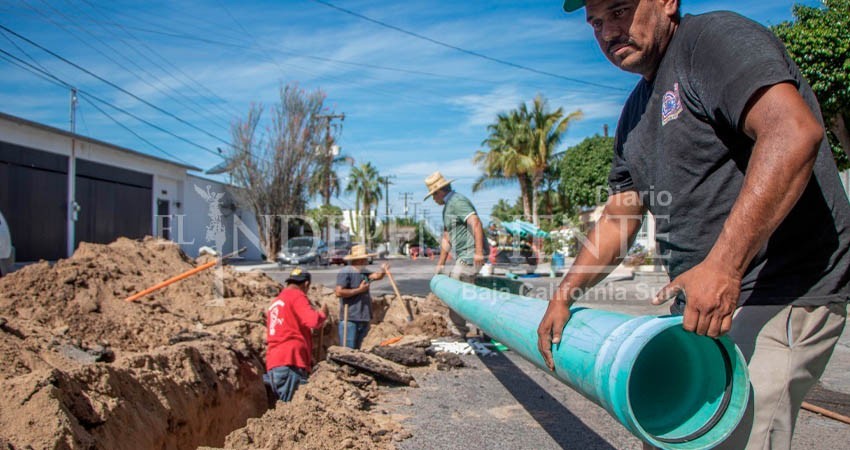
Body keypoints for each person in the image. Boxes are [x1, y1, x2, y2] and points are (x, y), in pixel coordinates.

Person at [538, 1, 849, 448]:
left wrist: (723, 266)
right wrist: (565, 294)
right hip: (704, 305)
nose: (608, 32)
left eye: (620, 10)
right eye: (596, 22)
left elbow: (792, 132)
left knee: (729, 437)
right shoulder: (635, 112)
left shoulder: (710, 42)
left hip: (779, 292)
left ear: (667, 2)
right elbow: (620, 215)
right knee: (676, 435)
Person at [424, 171, 489, 338]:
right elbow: (447, 237)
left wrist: (479, 252)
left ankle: (459, 331)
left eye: (433, 196)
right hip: (464, 255)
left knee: (457, 290)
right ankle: (469, 327)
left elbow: (475, 222)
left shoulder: (457, 201)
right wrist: (441, 264)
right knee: (460, 287)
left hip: (471, 254)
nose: (433, 200)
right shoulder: (447, 208)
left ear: (439, 192)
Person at [265, 267, 328, 402]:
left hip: (274, 362)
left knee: (284, 408)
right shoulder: (297, 296)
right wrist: (322, 314)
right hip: (290, 361)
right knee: (293, 411)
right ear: (306, 284)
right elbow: (313, 321)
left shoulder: (276, 301)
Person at [335, 244, 388, 349]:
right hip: (350, 319)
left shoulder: (364, 272)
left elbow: (376, 276)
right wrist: (359, 290)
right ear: (359, 260)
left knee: (356, 351)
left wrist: (383, 271)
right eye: (365, 258)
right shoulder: (346, 272)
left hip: (363, 318)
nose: (367, 260)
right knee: (347, 351)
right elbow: (338, 292)